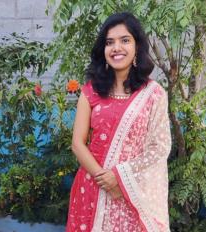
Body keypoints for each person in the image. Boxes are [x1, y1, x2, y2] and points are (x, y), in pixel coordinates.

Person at [66, 12, 171, 232]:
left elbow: (159, 147)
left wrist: (119, 178)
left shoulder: (154, 94)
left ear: (136, 48)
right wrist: (104, 178)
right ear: (103, 50)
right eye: (109, 42)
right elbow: (77, 142)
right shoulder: (91, 91)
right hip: (92, 186)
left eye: (125, 40)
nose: (116, 48)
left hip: (132, 191)